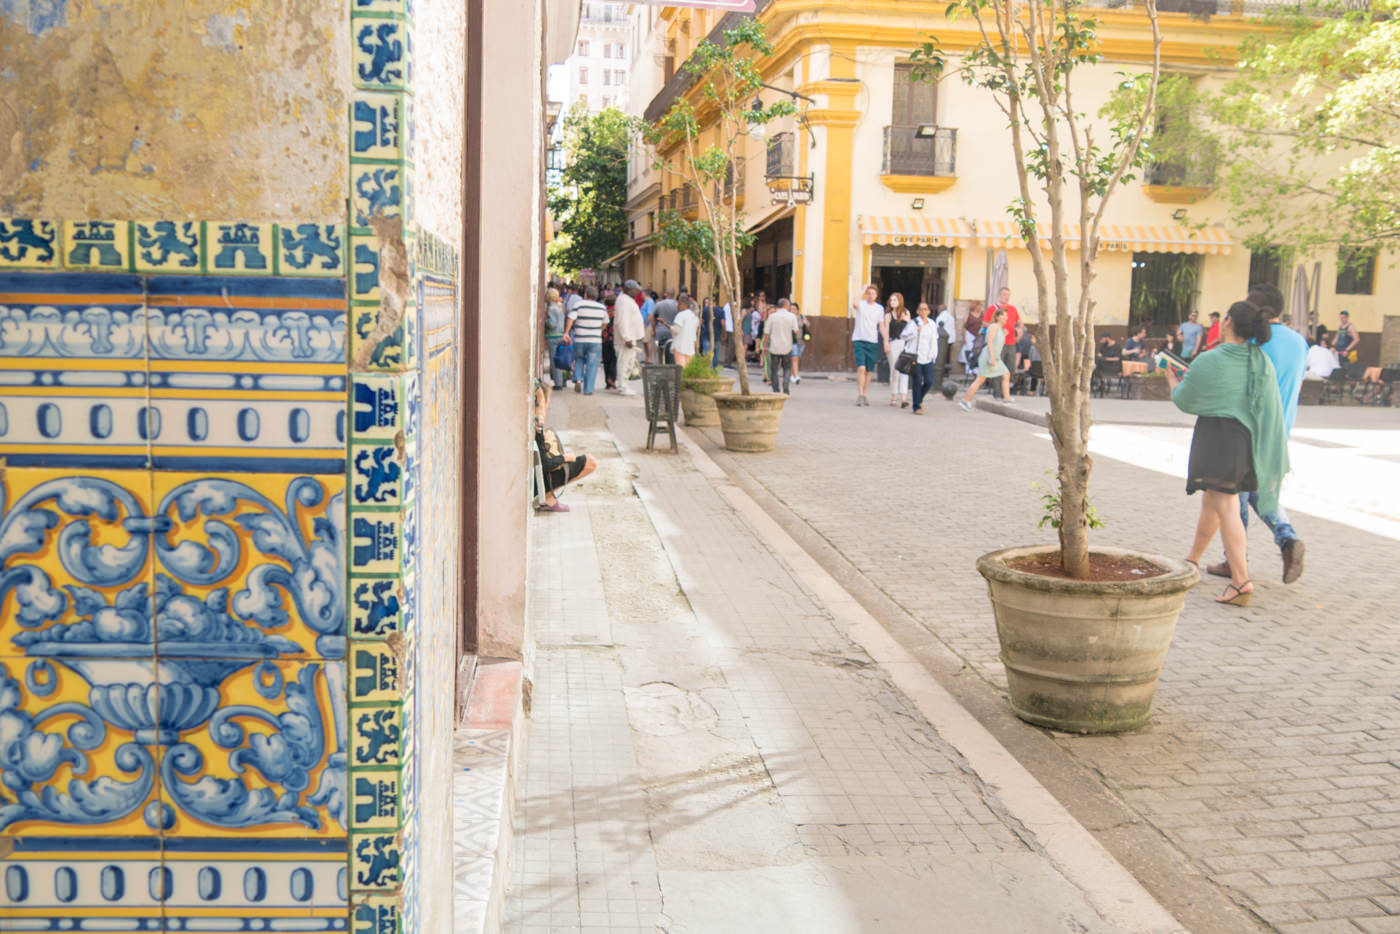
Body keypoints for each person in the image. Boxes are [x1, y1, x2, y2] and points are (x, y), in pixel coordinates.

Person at [1166, 301, 1289, 606]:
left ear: (1229, 322)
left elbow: (1185, 399)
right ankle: (1192, 560)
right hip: (1246, 439)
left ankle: (1240, 580)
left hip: (1219, 437)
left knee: (1227, 506)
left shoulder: (1213, 359)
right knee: (1213, 500)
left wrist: (1170, 378)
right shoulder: (1260, 360)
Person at [1207, 284, 1307, 585]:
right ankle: (1287, 539)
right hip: (1281, 429)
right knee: (1257, 491)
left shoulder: (1252, 341)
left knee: (1235, 495)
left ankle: (1237, 563)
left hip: (1246, 427)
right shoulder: (1299, 342)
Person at [533, 382, 597, 513]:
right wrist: (564, 458)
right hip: (536, 482)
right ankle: (547, 497)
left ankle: (548, 496)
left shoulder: (533, 422)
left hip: (534, 479)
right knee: (590, 462)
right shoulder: (537, 425)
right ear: (545, 402)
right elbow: (545, 464)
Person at [958, 307, 1011, 410]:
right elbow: (990, 342)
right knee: (980, 379)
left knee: (1006, 374)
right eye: (1003, 315)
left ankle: (1007, 398)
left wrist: (1004, 334)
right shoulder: (993, 326)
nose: (1005, 317)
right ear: (997, 317)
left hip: (996, 358)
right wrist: (991, 357)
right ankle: (965, 401)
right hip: (988, 356)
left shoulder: (1000, 329)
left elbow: (998, 344)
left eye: (1006, 315)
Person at [563, 285, 608, 395]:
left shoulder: (579, 305)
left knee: (579, 358)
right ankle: (588, 390)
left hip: (580, 339)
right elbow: (605, 323)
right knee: (592, 364)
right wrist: (599, 329)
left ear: (585, 295)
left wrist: (566, 332)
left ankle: (578, 378)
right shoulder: (602, 307)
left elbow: (570, 318)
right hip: (595, 340)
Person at [851, 284, 884, 406]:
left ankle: (865, 394)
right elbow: (854, 303)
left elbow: (881, 325)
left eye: (873, 294)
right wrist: (862, 290)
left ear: (876, 295)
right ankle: (860, 394)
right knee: (861, 368)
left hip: (872, 341)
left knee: (869, 371)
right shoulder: (861, 304)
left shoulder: (879, 309)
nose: (871, 296)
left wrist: (885, 340)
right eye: (869, 293)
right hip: (859, 339)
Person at [612, 280, 647, 396]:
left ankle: (624, 385)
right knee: (624, 363)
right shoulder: (624, 302)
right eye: (635, 290)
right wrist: (626, 338)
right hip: (626, 339)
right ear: (628, 289)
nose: (637, 292)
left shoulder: (626, 300)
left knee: (628, 362)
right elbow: (623, 321)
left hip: (630, 337)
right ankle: (622, 386)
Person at [906, 302, 941, 415]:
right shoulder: (913, 323)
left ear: (929, 311)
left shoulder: (932, 324)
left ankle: (919, 398)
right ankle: (916, 406)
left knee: (929, 381)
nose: (923, 311)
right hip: (916, 356)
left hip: (928, 356)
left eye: (925, 309)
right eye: (921, 309)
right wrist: (915, 332)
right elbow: (904, 335)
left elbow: (934, 340)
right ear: (917, 311)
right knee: (916, 381)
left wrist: (934, 354)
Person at [881, 292, 912, 407]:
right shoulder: (888, 315)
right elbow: (886, 331)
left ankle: (904, 398)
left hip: (904, 344)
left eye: (895, 300)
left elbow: (910, 329)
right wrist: (886, 343)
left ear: (900, 301)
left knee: (905, 370)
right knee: (894, 371)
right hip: (893, 343)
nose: (892, 302)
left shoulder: (906, 313)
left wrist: (906, 319)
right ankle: (894, 396)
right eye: (891, 300)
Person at [763, 299, 799, 394]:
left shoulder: (772, 317)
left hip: (774, 347)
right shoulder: (792, 316)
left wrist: (765, 344)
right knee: (787, 367)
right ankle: (785, 383)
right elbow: (796, 331)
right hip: (787, 346)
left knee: (774, 369)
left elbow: (766, 333)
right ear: (786, 305)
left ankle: (776, 389)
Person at [985, 287, 1020, 374]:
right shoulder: (992, 308)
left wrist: (1020, 331)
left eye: (1008, 295)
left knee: (1011, 368)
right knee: (997, 369)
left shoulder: (1013, 308)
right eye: (1004, 295)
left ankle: (1007, 386)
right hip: (998, 344)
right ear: (999, 296)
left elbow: (1019, 322)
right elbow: (985, 323)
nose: (1007, 297)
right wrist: (998, 329)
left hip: (1011, 343)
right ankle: (997, 387)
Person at [544, 287, 567, 389]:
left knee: (554, 361)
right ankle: (561, 380)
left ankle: (558, 383)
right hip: (560, 335)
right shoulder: (559, 308)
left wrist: (545, 321)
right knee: (560, 360)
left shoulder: (551, 308)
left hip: (553, 336)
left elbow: (552, 323)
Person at [670, 295, 700, 369]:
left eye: (678, 304)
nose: (677, 306)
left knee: (681, 368)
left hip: (680, 345)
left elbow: (676, 330)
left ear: (682, 304)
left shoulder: (680, 315)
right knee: (689, 368)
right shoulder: (694, 316)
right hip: (690, 345)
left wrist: (669, 327)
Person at [651, 289, 679, 364]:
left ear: (666, 294)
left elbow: (654, 318)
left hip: (660, 331)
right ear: (674, 295)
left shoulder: (659, 304)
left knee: (659, 351)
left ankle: (660, 364)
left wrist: (653, 330)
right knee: (671, 351)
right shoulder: (677, 305)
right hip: (672, 332)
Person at [934, 302, 957, 380]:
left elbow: (938, 327)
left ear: (940, 309)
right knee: (947, 356)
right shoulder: (950, 316)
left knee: (941, 356)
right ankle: (946, 372)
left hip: (942, 339)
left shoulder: (941, 317)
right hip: (950, 339)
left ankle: (942, 372)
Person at [962, 300, 985, 375]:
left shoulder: (982, 315)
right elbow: (965, 327)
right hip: (970, 334)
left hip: (979, 335)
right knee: (969, 351)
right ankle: (968, 368)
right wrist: (964, 337)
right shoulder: (969, 315)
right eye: (978, 305)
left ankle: (976, 368)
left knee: (977, 351)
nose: (980, 307)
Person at [790, 302, 808, 385]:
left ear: (797, 310)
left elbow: (808, 325)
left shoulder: (801, 317)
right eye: (791, 309)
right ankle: (796, 376)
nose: (793, 310)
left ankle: (792, 375)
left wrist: (805, 322)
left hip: (801, 340)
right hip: (792, 340)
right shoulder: (789, 318)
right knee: (795, 358)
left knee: (796, 358)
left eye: (794, 309)